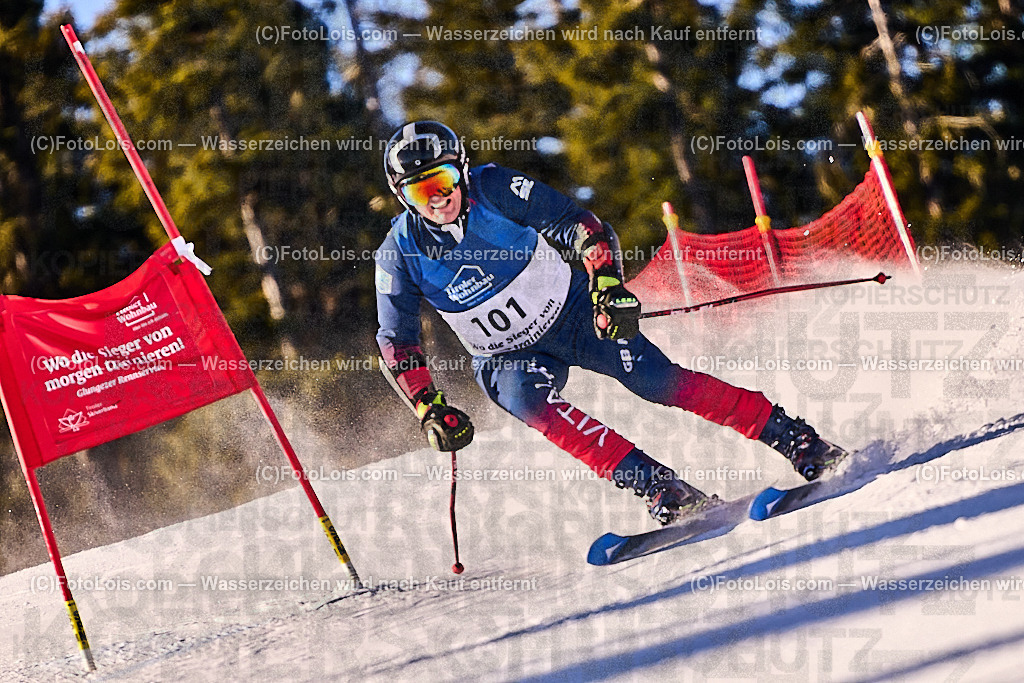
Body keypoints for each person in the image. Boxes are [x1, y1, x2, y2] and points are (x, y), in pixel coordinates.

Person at [374, 121, 846, 525]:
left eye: (443, 180)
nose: (438, 199)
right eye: (420, 190)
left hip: (573, 313)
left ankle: (795, 438)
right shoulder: (398, 255)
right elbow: (396, 339)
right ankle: (660, 488)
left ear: (462, 169)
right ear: (402, 197)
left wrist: (606, 284)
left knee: (656, 380)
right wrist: (427, 406)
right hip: (504, 356)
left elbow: (578, 223)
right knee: (532, 404)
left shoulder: (494, 187)